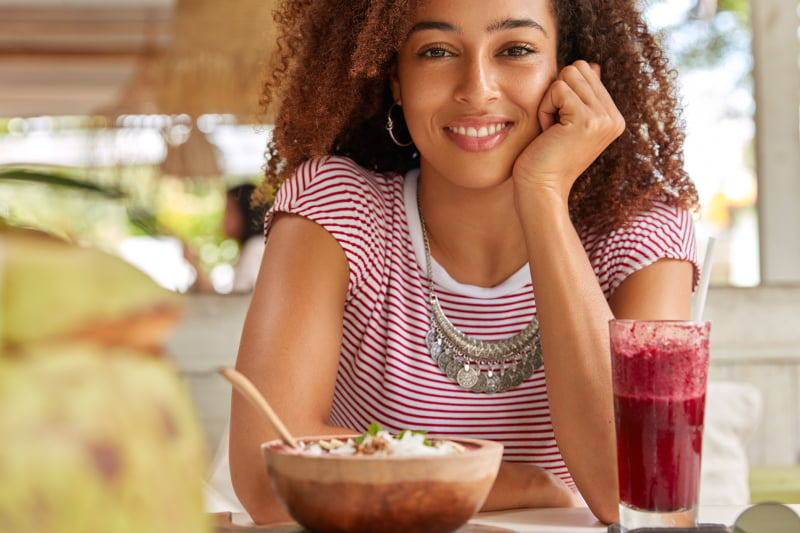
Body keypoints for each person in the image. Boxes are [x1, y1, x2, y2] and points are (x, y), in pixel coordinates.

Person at [230, 0, 700, 526]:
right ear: (396, 82)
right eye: (436, 51)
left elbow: (642, 494)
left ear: (570, 73)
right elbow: (266, 475)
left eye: (516, 50)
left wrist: (542, 194)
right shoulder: (337, 209)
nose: (477, 89)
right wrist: (520, 484)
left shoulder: (638, 231)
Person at [184, 184, 266, 293]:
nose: (223, 219)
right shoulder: (255, 247)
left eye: (228, 211)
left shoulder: (256, 249)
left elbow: (234, 304)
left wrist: (196, 267)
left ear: (246, 211)